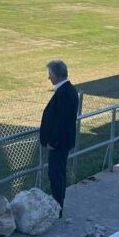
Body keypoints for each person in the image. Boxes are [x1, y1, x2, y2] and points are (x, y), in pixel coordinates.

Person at [39, 60, 78, 216]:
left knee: (56, 175)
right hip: (61, 143)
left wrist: (52, 142)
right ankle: (57, 206)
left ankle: (57, 208)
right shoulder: (67, 91)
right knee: (57, 174)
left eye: (50, 74)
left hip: (58, 144)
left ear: (55, 75)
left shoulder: (65, 93)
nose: (49, 78)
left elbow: (62, 122)